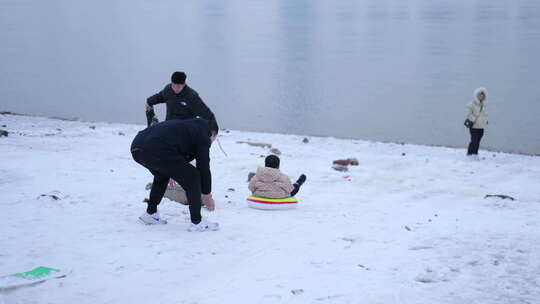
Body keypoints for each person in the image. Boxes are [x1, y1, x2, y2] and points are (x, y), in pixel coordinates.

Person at [131, 118, 219, 231]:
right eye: (213, 140)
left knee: (161, 176)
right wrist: (207, 194)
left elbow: (177, 146)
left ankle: (150, 213)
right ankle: (197, 222)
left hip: (137, 146)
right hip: (155, 148)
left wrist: (172, 171)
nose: (210, 143)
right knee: (193, 176)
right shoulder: (203, 134)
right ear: (212, 133)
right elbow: (203, 166)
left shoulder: (187, 126)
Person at [145, 71, 217, 126]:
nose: (176, 89)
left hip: (185, 130)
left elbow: (207, 114)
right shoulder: (168, 90)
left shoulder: (192, 96)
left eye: (179, 87)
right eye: (174, 86)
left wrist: (214, 130)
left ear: (184, 84)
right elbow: (158, 97)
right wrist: (149, 102)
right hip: (169, 127)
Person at [465, 87, 489, 159]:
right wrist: (474, 119)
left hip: (481, 126)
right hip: (474, 126)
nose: (481, 96)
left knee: (478, 141)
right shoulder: (471, 104)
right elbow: (468, 113)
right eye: (480, 95)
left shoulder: (484, 104)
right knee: (474, 140)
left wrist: (486, 121)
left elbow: (485, 115)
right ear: (476, 95)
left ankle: (475, 154)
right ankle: (469, 154)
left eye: (483, 95)